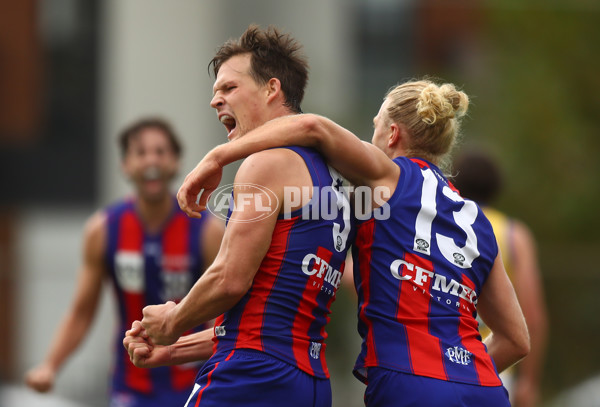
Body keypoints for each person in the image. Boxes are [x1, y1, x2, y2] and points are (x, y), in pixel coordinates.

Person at [176, 79, 531, 406]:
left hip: (409, 383)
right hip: (483, 388)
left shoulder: (387, 176)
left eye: (374, 127)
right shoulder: (477, 220)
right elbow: (516, 340)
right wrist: (460, 375)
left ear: (392, 134)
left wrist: (217, 156)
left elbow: (313, 127)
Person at [125, 25, 352, 407]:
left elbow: (230, 279)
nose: (216, 101)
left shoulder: (266, 164)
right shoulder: (332, 177)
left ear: (271, 89)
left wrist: (172, 322)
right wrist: (174, 349)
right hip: (309, 383)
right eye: (215, 92)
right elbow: (269, 314)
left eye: (229, 88)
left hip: (250, 376)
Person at [24, 117, 224, 407]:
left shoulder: (207, 230)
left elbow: (222, 311)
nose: (151, 160)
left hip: (194, 383)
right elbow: (81, 312)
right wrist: (50, 366)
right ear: (125, 165)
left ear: (176, 162)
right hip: (130, 385)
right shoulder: (103, 229)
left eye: (160, 151)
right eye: (140, 153)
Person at [452, 149, 548, 407]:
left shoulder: (441, 224)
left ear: (455, 184)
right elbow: (533, 315)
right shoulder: (515, 235)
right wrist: (528, 382)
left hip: (441, 363)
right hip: (497, 367)